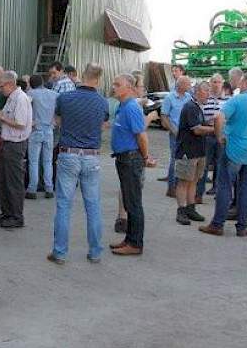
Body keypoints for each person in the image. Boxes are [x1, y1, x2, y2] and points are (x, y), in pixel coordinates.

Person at [48, 63, 110, 265]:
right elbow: (103, 125)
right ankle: (95, 252)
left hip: (68, 153)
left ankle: (60, 252)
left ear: (82, 76)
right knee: (92, 205)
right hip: (91, 155)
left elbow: (57, 121)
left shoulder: (64, 98)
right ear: (98, 80)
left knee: (64, 204)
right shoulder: (102, 102)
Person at [199, 73, 247, 237]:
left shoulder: (238, 99)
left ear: (246, 83)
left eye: (240, 84)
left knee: (224, 186)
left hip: (234, 150)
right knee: (246, 188)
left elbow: (219, 118)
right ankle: (242, 226)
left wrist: (219, 137)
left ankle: (217, 224)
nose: (239, 87)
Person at [109, 74, 157, 256]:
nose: (114, 87)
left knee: (134, 203)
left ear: (129, 88)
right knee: (129, 202)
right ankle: (129, 239)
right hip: (123, 158)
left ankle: (135, 244)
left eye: (117, 84)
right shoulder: (122, 106)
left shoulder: (131, 108)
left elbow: (141, 135)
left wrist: (145, 158)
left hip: (131, 159)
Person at [0, 71, 33, 229]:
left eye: (1, 86)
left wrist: (1, 118)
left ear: (9, 84)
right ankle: (6, 211)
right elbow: (10, 118)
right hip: (8, 142)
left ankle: (16, 216)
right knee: (3, 179)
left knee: (13, 181)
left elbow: (20, 123)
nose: (0, 90)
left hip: (16, 144)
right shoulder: (11, 98)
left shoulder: (20, 99)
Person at [174, 82, 214, 225]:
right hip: (187, 151)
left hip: (198, 151)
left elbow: (199, 126)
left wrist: (209, 124)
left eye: (209, 91)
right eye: (206, 90)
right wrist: (215, 129)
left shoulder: (197, 107)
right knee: (184, 181)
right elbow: (196, 129)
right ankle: (181, 210)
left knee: (194, 181)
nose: (209, 94)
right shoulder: (190, 107)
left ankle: (190, 208)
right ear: (197, 91)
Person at [26, 74, 58, 199]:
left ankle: (32, 189)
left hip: (35, 130)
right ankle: (49, 188)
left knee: (34, 161)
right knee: (48, 161)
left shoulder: (30, 94)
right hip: (49, 131)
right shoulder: (54, 94)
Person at [159, 76, 192, 198]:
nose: (190, 86)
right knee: (175, 160)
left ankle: (180, 186)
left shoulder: (189, 97)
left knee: (184, 160)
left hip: (187, 134)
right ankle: (171, 188)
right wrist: (174, 131)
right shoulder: (169, 98)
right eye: (188, 84)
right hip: (176, 134)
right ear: (180, 85)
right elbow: (164, 117)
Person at [196, 73, 225, 201]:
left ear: (222, 84)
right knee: (204, 164)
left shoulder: (229, 99)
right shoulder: (205, 99)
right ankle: (198, 193)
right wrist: (210, 120)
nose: (216, 84)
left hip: (222, 136)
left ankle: (218, 192)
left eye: (219, 82)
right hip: (207, 135)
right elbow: (199, 115)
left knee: (221, 164)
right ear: (210, 83)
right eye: (214, 82)